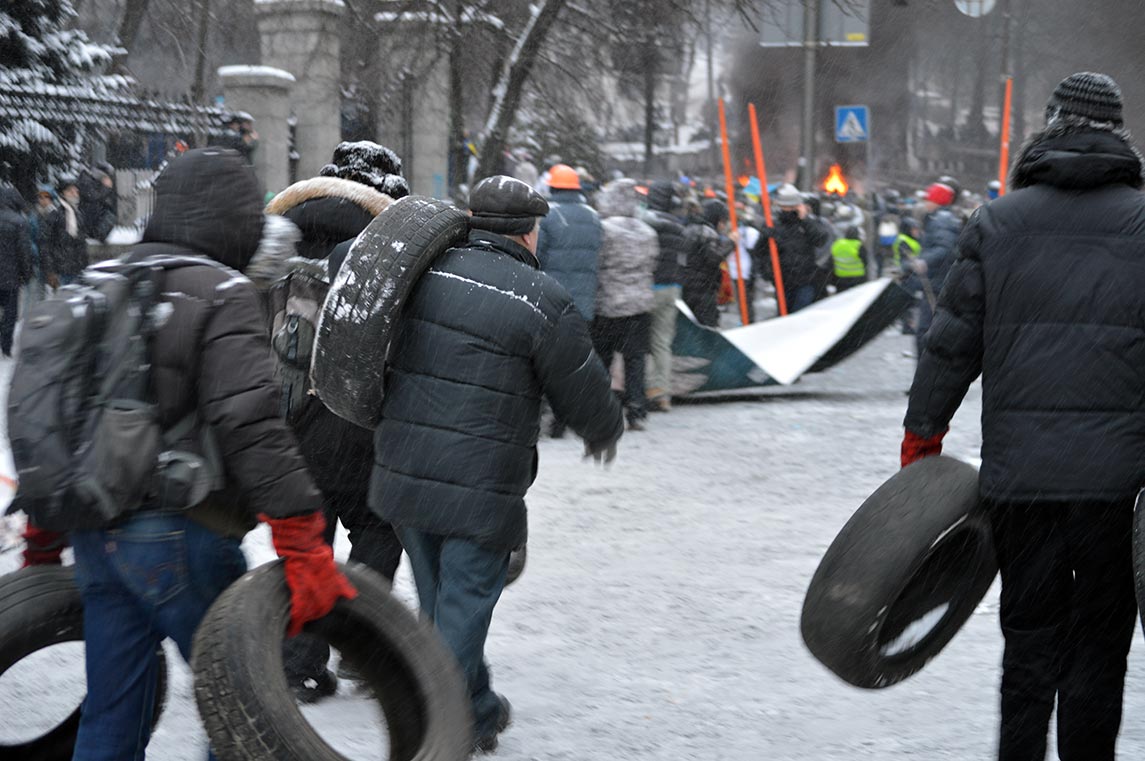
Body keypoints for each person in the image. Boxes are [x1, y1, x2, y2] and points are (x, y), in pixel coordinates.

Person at [24, 148, 356, 760]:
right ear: (236, 223)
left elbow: (56, 419)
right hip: (186, 535)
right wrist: (302, 538)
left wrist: (45, 532)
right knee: (242, 710)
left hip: (97, 539)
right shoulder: (221, 291)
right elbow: (250, 421)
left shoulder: (96, 285)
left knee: (112, 712)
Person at [902, 72, 1145, 761]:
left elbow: (950, 342)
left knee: (1030, 637)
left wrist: (922, 438)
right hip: (1115, 487)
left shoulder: (996, 222)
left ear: (1047, 126)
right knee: (1099, 644)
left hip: (1021, 482)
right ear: (1117, 134)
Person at [370, 175, 623, 754]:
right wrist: (604, 427)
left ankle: (478, 710)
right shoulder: (538, 297)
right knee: (459, 611)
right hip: (479, 489)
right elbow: (583, 391)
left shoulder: (420, 275)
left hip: (404, 474)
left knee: (441, 602)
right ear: (530, 233)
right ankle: (437, 732)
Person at [264, 140, 410, 702]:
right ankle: (360, 650)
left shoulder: (283, 229)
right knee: (377, 530)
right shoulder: (388, 240)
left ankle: (300, 663)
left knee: (308, 539)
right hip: (355, 417)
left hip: (287, 412)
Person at [536, 163, 603, 437]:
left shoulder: (549, 217)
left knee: (543, 362)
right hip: (584, 303)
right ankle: (565, 419)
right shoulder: (594, 217)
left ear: (552, 187)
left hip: (553, 300)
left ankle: (541, 416)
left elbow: (537, 254)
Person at [592, 178, 658, 431]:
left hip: (609, 304)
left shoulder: (604, 229)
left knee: (603, 359)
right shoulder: (647, 232)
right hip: (639, 305)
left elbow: (599, 263)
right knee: (635, 360)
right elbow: (652, 264)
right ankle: (636, 408)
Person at [641, 180, 691, 411]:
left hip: (648, 286)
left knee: (640, 343)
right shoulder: (679, 227)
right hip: (672, 287)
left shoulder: (645, 224)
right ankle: (662, 393)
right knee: (662, 342)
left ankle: (642, 389)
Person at [907, 181, 962, 355]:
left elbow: (944, 248)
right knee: (932, 329)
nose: (925, 203)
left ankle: (926, 373)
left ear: (936, 201)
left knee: (926, 331)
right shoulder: (943, 219)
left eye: (928, 199)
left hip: (937, 283)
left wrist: (924, 261)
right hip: (941, 282)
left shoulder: (941, 222)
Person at [757, 183, 828, 313]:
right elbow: (760, 252)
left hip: (805, 280)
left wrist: (805, 219)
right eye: (785, 206)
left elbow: (821, 240)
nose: (788, 209)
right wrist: (769, 273)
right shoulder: (773, 225)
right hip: (783, 281)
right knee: (786, 318)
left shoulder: (806, 224)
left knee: (800, 316)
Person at [682, 199, 734, 327]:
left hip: (687, 287)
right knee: (707, 328)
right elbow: (714, 258)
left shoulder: (689, 228)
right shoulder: (707, 232)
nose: (724, 226)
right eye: (723, 221)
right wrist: (732, 243)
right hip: (703, 289)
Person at [0, 185, 33, 357]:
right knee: (10, 312)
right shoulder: (19, 222)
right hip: (10, 276)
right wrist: (26, 275)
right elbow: (24, 252)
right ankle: (5, 345)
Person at [41, 178, 88, 287]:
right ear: (63, 194)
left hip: (77, 268)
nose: (75, 194)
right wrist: (50, 271)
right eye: (70, 191)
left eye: (76, 191)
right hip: (61, 270)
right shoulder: (55, 215)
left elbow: (81, 242)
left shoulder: (78, 214)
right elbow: (46, 244)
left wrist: (84, 264)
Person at [830, 225, 868, 292]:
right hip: (857, 278)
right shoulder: (858, 245)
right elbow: (865, 262)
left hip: (841, 278)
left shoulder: (837, 244)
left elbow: (831, 261)